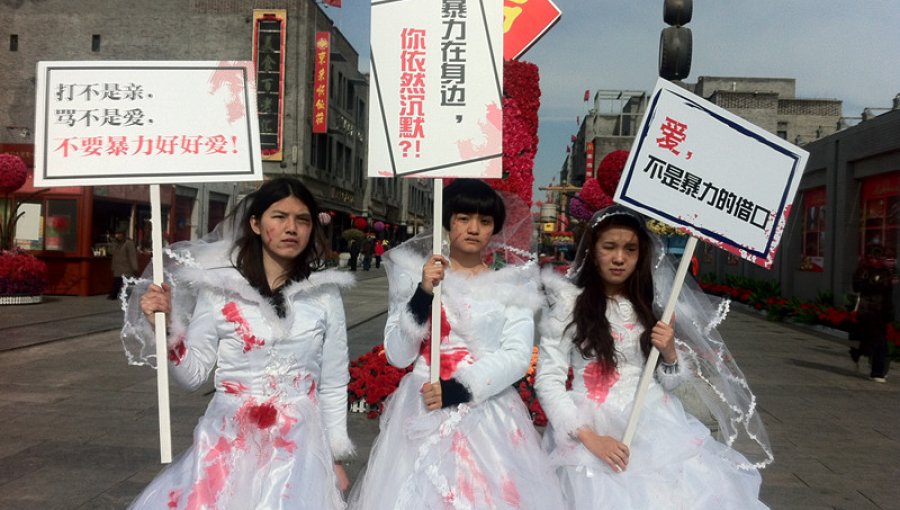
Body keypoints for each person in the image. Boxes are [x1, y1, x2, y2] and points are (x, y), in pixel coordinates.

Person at [121, 177, 354, 509]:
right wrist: (166, 326)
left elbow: (333, 382)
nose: (291, 228)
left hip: (299, 447)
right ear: (256, 224)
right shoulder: (219, 290)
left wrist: (336, 454)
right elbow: (192, 375)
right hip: (228, 440)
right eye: (279, 216)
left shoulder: (325, 293)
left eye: (302, 219)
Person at [536, 205, 771, 510]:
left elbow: (669, 381)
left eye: (629, 249)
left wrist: (670, 354)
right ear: (593, 252)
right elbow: (548, 381)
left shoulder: (652, 307)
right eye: (609, 247)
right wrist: (591, 439)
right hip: (590, 427)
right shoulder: (569, 305)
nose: (619, 258)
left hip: (656, 423)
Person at [348, 179, 565, 509]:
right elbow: (397, 354)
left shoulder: (512, 284)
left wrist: (461, 388)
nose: (474, 228)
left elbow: (518, 355)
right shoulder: (414, 276)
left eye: (485, 221)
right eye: (464, 218)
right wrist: (422, 294)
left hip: (485, 408)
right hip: (423, 401)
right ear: (447, 221)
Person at [850, 244, 895, 383]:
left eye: (879, 255)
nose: (876, 259)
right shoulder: (863, 269)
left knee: (878, 341)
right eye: (874, 255)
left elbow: (888, 293)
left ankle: (878, 369)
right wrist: (873, 284)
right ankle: (877, 371)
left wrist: (889, 311)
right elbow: (857, 287)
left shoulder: (886, 271)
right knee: (877, 340)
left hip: (881, 311)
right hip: (867, 310)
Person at [108, 228, 138, 299]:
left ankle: (119, 295)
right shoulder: (116, 243)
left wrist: (135, 267)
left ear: (123, 234)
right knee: (117, 281)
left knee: (127, 281)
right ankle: (114, 295)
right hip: (118, 266)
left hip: (126, 267)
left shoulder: (128, 243)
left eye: (119, 234)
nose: (117, 236)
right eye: (116, 234)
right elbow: (112, 252)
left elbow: (132, 255)